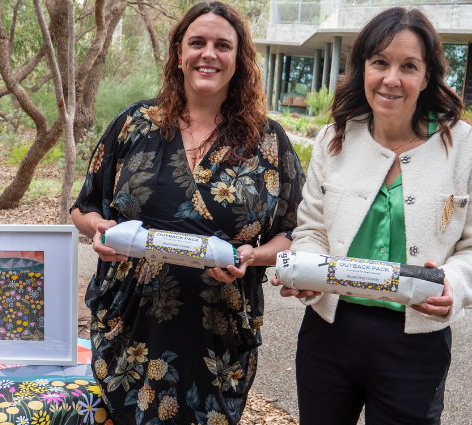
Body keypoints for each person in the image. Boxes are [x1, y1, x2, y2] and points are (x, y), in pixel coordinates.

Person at [70, 2, 305, 424]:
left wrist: (254, 256)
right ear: (179, 52)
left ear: (239, 58)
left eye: (222, 45)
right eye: (197, 43)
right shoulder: (134, 125)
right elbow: (84, 207)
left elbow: (291, 233)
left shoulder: (269, 142)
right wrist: (99, 232)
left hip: (217, 333)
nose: (208, 54)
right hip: (132, 328)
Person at [272, 8, 472, 424]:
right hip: (330, 331)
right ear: (362, 67)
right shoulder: (335, 138)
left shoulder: (464, 147)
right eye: (379, 62)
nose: (391, 78)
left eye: (409, 66)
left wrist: (452, 284)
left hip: (415, 340)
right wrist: (306, 274)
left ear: (429, 75)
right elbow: (311, 228)